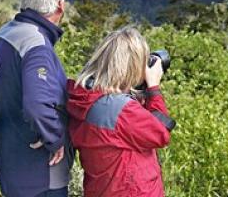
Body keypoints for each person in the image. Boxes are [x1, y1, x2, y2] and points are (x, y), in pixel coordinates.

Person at [0, 0, 73, 197]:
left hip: (10, 158)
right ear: (59, 6)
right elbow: (37, 105)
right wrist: (54, 139)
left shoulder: (5, 33)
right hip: (39, 173)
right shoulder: (36, 46)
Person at [66, 27, 175, 197]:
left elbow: (122, 134)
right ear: (131, 66)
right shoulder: (121, 110)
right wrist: (153, 87)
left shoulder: (84, 98)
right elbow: (161, 133)